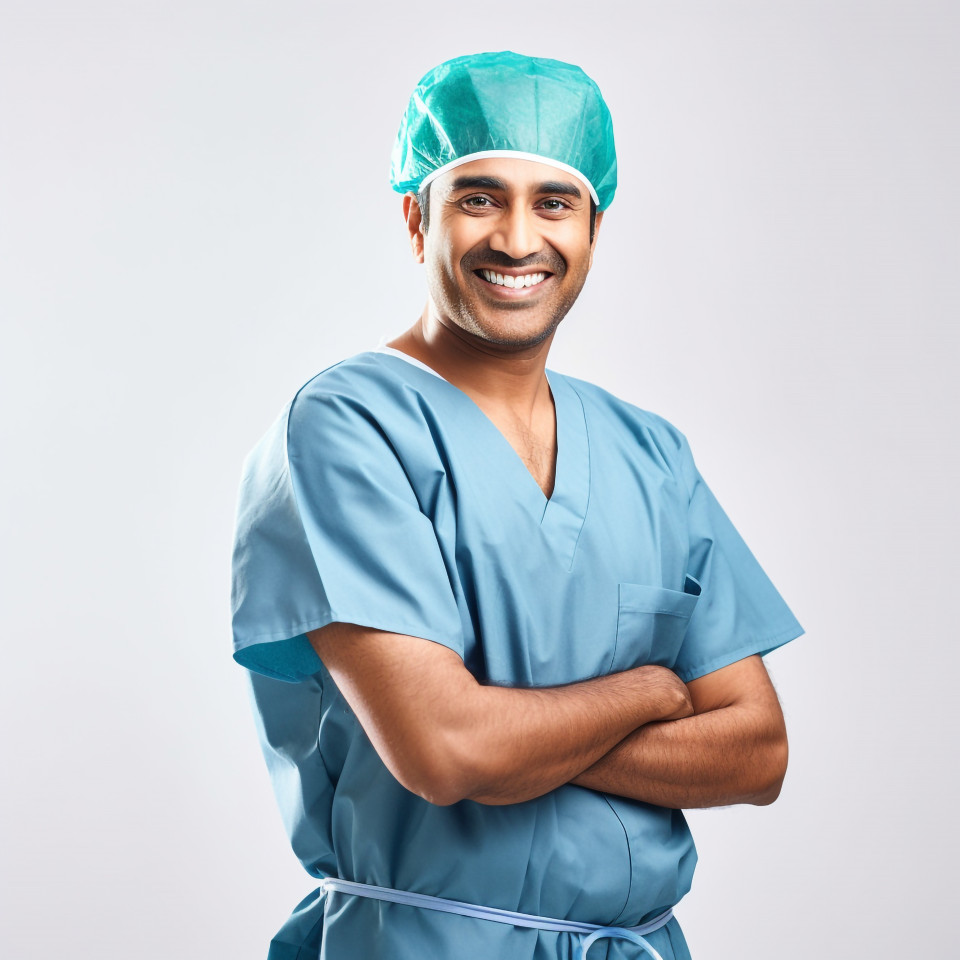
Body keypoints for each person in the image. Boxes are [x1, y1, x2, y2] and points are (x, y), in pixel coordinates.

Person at [231, 51, 803, 960]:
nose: (517, 238)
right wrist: (649, 693)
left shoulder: (648, 452)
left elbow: (758, 753)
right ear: (416, 219)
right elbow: (446, 753)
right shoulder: (347, 429)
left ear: (593, 229)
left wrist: (518, 739)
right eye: (478, 197)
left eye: (554, 202)